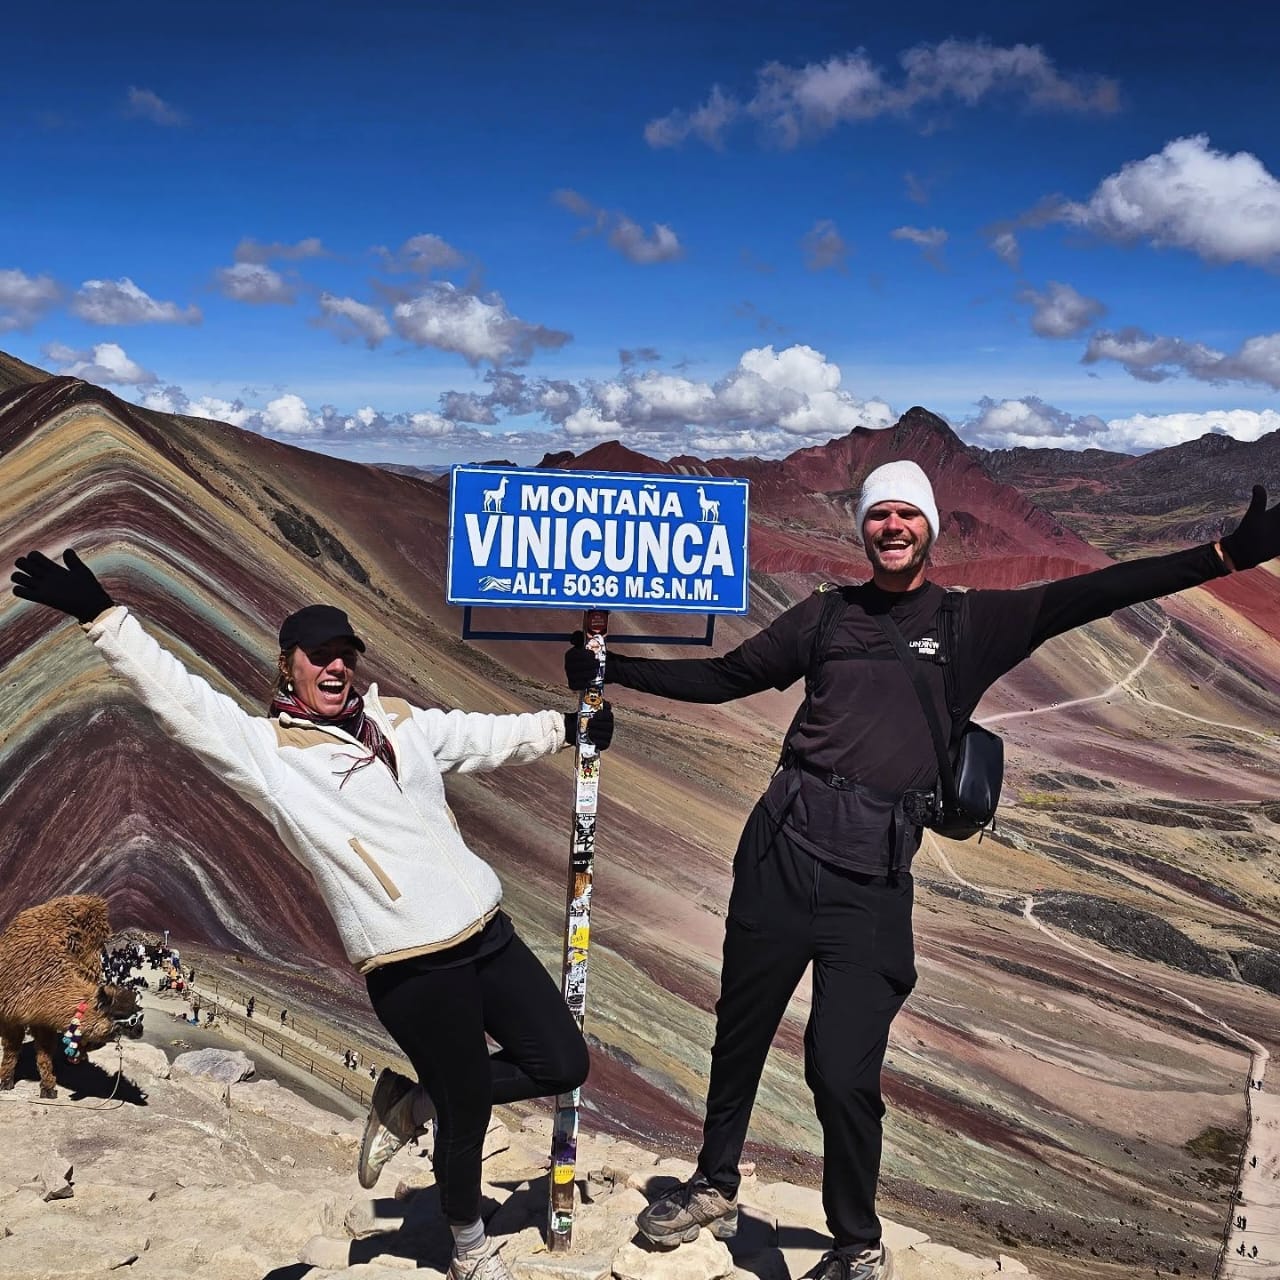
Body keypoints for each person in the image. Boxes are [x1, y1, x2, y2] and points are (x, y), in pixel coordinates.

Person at [565, 462, 1280, 1280]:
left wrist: (1225, 556)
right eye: (880, 514)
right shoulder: (826, 615)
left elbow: (1098, 591)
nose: (893, 526)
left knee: (841, 1070)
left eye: (908, 514)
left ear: (930, 528)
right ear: (863, 528)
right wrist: (613, 669)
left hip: (870, 884)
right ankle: (713, 1184)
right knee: (741, 1029)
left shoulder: (972, 624)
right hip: (779, 853)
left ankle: (855, 1243)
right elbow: (730, 677)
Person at [12, 551, 613, 1280]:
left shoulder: (395, 721)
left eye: (345, 656)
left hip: (485, 931)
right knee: (470, 1111)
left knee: (562, 1061)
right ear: (287, 665)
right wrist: (103, 619)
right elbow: (181, 700)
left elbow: (476, 737)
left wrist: (565, 728)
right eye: (319, 655)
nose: (335, 667)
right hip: (412, 965)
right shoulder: (271, 753)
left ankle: (413, 1103)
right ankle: (469, 1248)